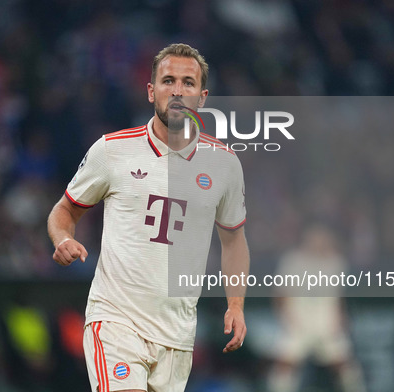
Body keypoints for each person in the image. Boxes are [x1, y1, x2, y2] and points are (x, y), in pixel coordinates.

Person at [47, 43, 250, 392]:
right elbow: (64, 210)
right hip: (116, 323)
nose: (177, 90)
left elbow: (233, 239)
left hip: (177, 334)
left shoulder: (224, 163)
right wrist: (63, 238)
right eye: (168, 80)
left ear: (201, 98)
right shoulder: (112, 150)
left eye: (187, 83)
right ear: (150, 90)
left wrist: (236, 304)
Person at [267, 224, 366, 392]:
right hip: (297, 321)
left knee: (344, 366)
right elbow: (279, 292)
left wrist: (341, 316)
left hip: (326, 322)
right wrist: (285, 316)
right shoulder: (292, 260)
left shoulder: (337, 262)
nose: (319, 241)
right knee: (285, 366)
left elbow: (338, 294)